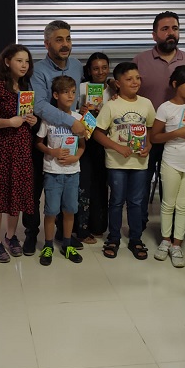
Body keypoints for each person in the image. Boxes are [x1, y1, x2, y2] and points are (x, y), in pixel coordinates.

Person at [132, 11, 185, 232]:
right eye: (165, 29)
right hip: (147, 134)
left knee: (171, 187)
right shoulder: (140, 60)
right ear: (154, 35)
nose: (171, 33)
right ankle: (139, 226)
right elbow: (127, 88)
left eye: (175, 28)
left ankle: (168, 231)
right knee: (142, 183)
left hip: (179, 139)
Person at [24, 20, 86, 256]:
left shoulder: (77, 65)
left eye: (68, 39)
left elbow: (80, 95)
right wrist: (71, 121)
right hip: (42, 131)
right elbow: (39, 105)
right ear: (46, 43)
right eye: (59, 40)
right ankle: (32, 234)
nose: (65, 44)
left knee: (67, 188)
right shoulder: (38, 70)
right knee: (36, 189)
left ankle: (64, 234)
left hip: (71, 136)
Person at [93, 62, 155, 260]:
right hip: (116, 163)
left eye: (137, 78)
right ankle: (114, 238)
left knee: (136, 201)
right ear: (118, 83)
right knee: (117, 201)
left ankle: (136, 238)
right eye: (129, 79)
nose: (135, 82)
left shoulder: (146, 104)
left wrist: (148, 145)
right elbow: (97, 133)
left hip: (139, 163)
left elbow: (150, 129)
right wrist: (117, 147)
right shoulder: (111, 105)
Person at [0, 44, 37, 262]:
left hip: (21, 146)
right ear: (7, 62)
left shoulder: (25, 87)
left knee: (17, 190)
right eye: (19, 61)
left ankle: (10, 237)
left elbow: (25, 118)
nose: (24, 65)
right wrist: (9, 122)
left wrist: (31, 120)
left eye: (27, 61)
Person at [149, 66, 185, 268]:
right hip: (171, 161)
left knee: (184, 205)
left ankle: (177, 244)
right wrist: (176, 133)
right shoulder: (165, 108)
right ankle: (165, 241)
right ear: (175, 84)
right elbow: (155, 137)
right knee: (168, 203)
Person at [35, 75, 86, 265]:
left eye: (73, 92)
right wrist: (52, 151)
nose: (70, 96)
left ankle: (67, 244)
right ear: (55, 95)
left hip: (72, 172)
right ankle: (48, 245)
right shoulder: (48, 119)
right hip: (53, 172)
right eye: (65, 92)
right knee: (51, 211)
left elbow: (82, 145)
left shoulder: (78, 119)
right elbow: (38, 143)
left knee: (70, 210)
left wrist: (76, 157)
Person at [76, 52, 114, 241]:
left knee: (101, 184)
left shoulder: (113, 90)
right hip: (85, 140)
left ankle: (98, 225)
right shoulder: (81, 88)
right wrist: (82, 111)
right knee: (84, 184)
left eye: (104, 67)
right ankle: (81, 227)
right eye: (96, 68)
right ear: (89, 71)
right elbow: (70, 112)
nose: (100, 72)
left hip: (106, 142)